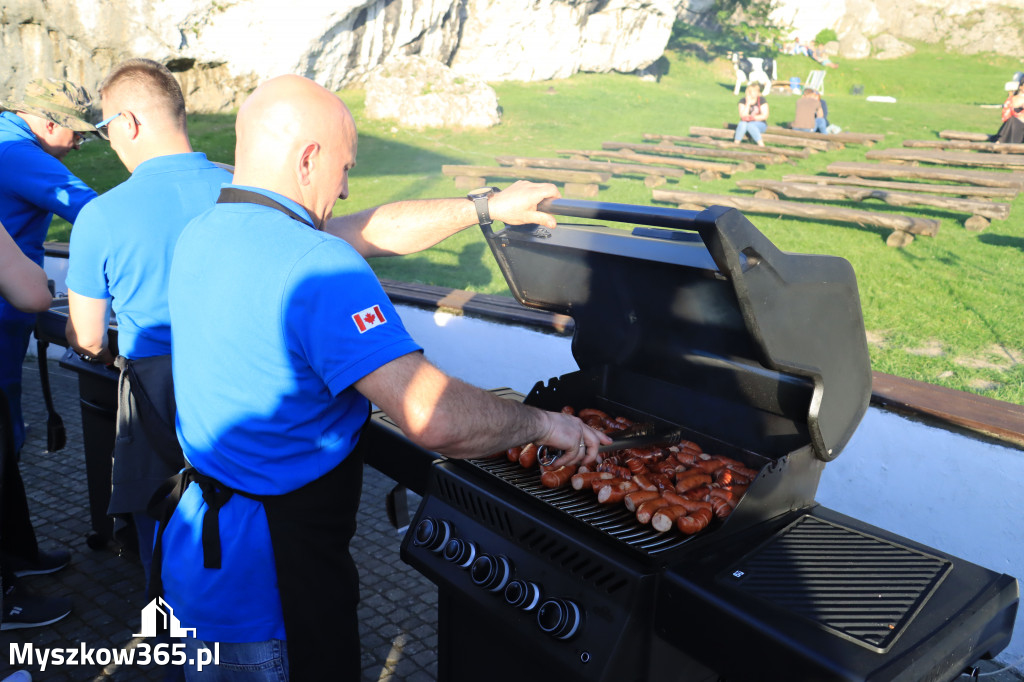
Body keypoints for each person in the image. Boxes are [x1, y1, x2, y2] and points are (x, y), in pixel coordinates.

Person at [152, 75, 611, 681]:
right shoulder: (316, 262)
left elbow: (371, 229)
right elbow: (434, 418)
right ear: (308, 158)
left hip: (200, 548)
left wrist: (486, 208)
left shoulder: (204, 230)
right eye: (344, 168)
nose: (344, 189)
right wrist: (544, 423)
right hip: (275, 573)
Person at [64, 59, 234, 592]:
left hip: (158, 395)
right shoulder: (242, 188)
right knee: (242, 522)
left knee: (163, 533)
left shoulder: (102, 215)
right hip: (244, 378)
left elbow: (89, 337)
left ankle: (176, 648)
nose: (108, 141)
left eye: (106, 128)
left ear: (130, 123)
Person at [0, 77, 98, 629]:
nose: (80, 145)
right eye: (77, 133)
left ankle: (16, 553)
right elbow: (97, 212)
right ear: (44, 119)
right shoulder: (18, 153)